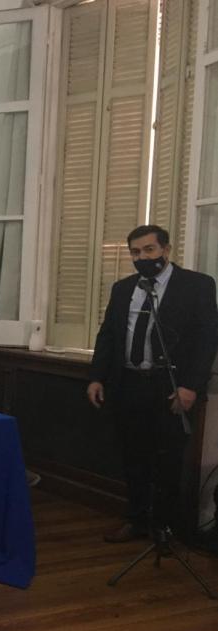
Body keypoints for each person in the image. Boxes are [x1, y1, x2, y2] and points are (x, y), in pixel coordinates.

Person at [88, 225, 218, 543]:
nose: (142, 257)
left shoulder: (196, 286)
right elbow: (108, 335)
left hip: (170, 386)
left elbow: (206, 340)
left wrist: (190, 385)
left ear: (166, 250)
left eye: (149, 250)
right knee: (134, 456)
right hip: (129, 384)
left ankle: (165, 528)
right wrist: (96, 376)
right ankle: (137, 520)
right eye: (135, 252)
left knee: (169, 459)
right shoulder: (123, 289)